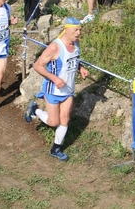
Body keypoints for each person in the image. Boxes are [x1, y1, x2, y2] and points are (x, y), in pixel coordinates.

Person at [24, 17, 89, 161]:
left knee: (65, 119)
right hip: (53, 90)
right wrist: (55, 79)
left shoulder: (76, 43)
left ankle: (55, 149)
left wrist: (81, 68)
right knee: (54, 122)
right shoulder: (55, 47)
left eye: (80, 30)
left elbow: (74, 59)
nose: (79, 33)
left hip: (68, 90)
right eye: (76, 30)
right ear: (66, 29)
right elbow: (37, 66)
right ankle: (34, 109)